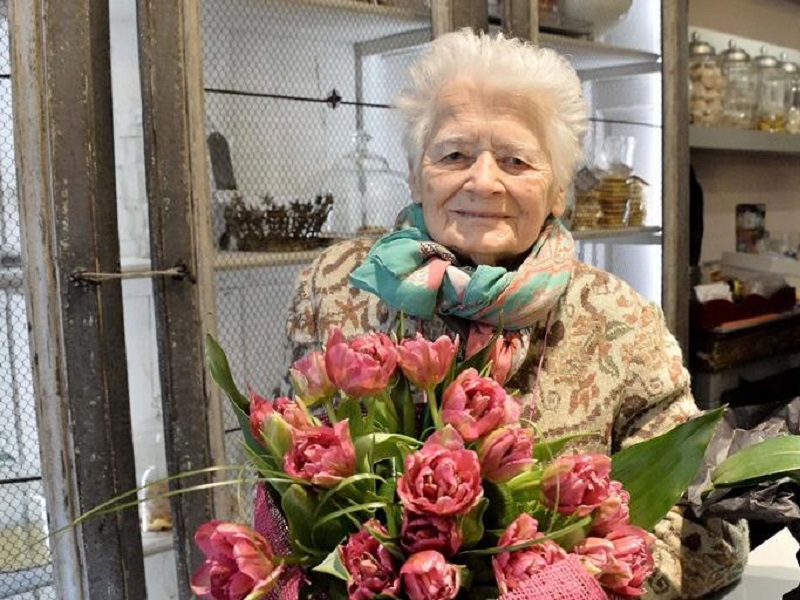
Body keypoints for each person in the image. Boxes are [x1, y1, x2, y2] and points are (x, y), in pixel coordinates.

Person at [282, 29, 748, 598]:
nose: (482, 180)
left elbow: (711, 532)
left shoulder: (617, 318)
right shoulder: (336, 287)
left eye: (516, 160)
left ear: (557, 190)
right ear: (414, 172)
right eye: (453, 154)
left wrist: (579, 586)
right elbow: (284, 476)